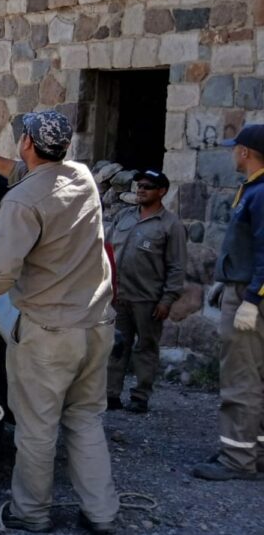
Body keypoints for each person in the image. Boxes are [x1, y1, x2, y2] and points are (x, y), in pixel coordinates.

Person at [0, 112, 118, 534]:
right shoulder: (82, 178)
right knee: (85, 418)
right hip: (97, 323)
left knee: (37, 428)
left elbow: (2, 272)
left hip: (49, 333)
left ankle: (31, 513)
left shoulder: (21, 202)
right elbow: (33, 176)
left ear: (27, 142)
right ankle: (101, 514)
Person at [192, 124, 264, 481]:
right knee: (257, 376)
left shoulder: (260, 193)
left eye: (235, 148)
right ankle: (254, 450)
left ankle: (237, 458)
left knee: (240, 377)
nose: (232, 152)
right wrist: (226, 277)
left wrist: (251, 297)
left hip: (250, 297)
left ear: (245, 152)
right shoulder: (253, 189)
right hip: (244, 287)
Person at [105, 169, 186, 413]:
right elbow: (106, 249)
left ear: (162, 192)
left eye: (147, 186)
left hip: (148, 300)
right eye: (139, 185)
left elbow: (177, 266)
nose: (140, 190)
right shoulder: (124, 216)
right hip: (118, 295)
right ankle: (111, 394)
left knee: (146, 348)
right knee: (115, 346)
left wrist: (167, 299)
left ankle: (140, 396)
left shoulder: (171, 225)